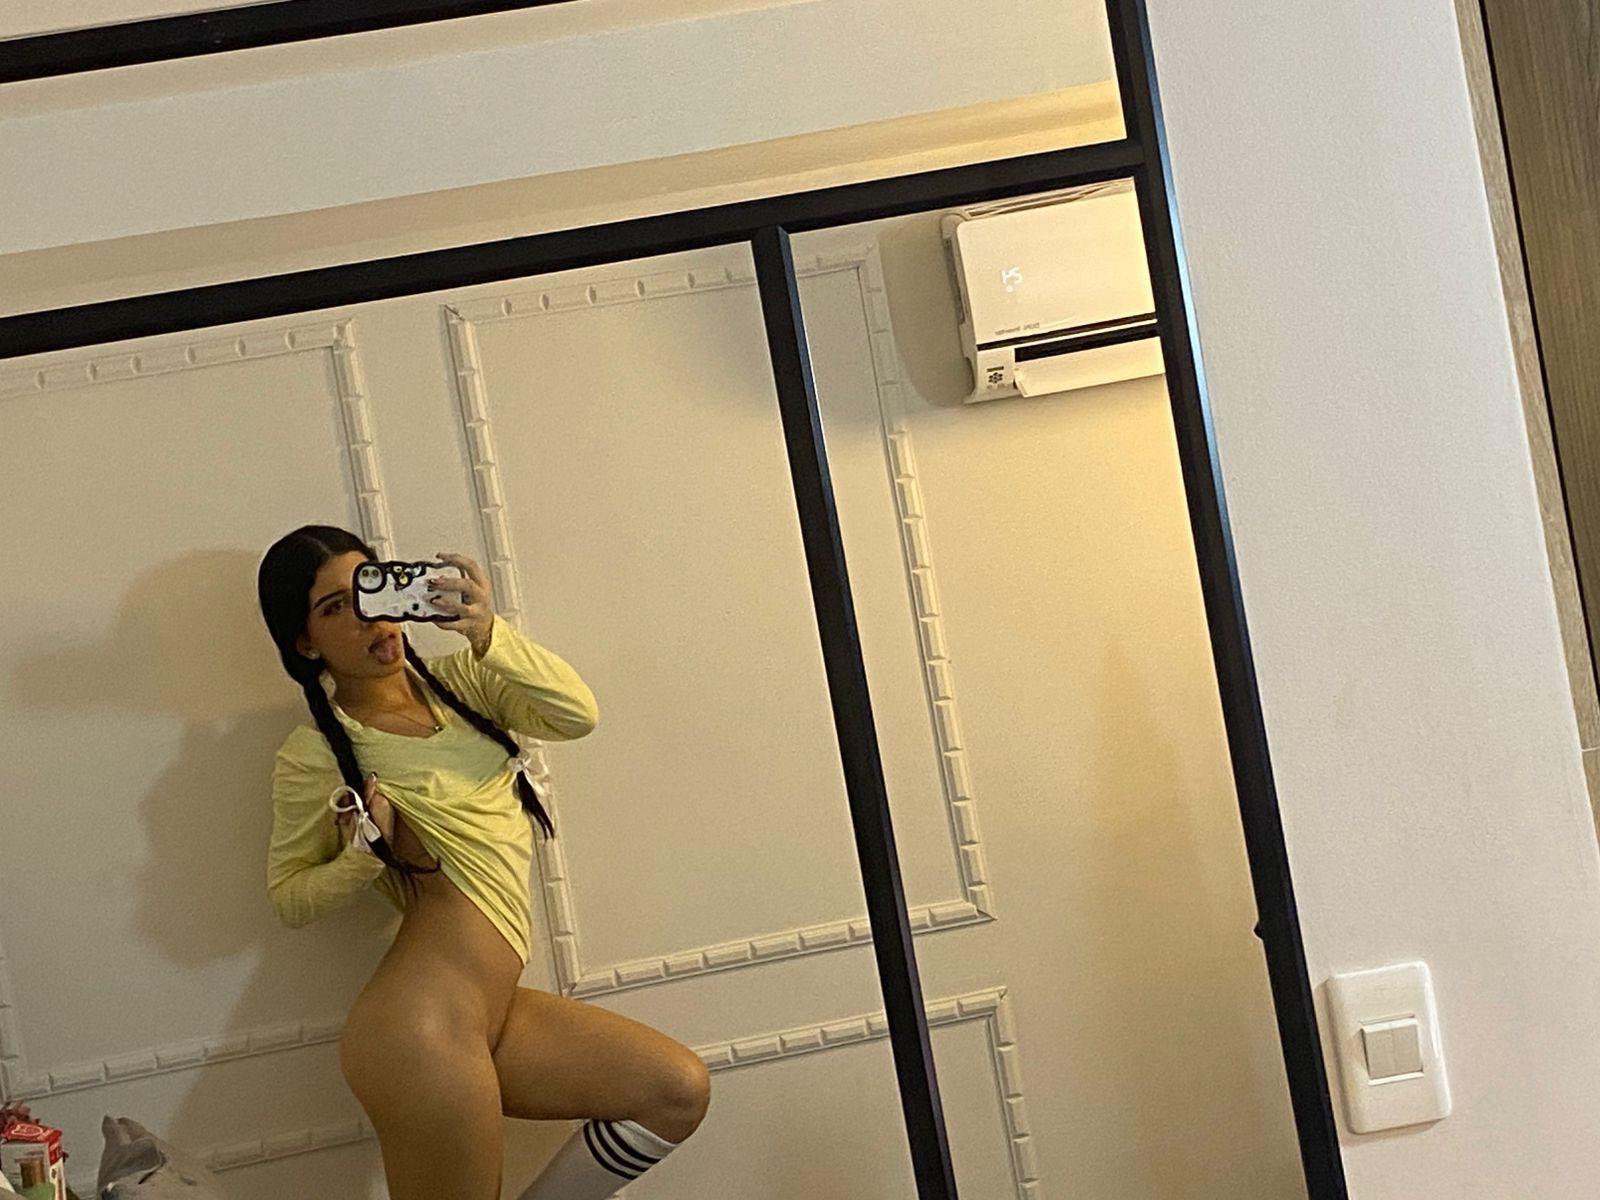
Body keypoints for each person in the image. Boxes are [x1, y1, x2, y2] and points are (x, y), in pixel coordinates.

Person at [257, 525, 710, 1200]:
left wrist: (487, 631)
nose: (369, 616)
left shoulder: (466, 683)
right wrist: (362, 853)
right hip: (418, 1025)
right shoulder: (317, 750)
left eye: (371, 587)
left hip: (489, 1013)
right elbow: (289, 896)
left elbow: (576, 714)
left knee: (675, 1091)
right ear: (306, 642)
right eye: (335, 608)